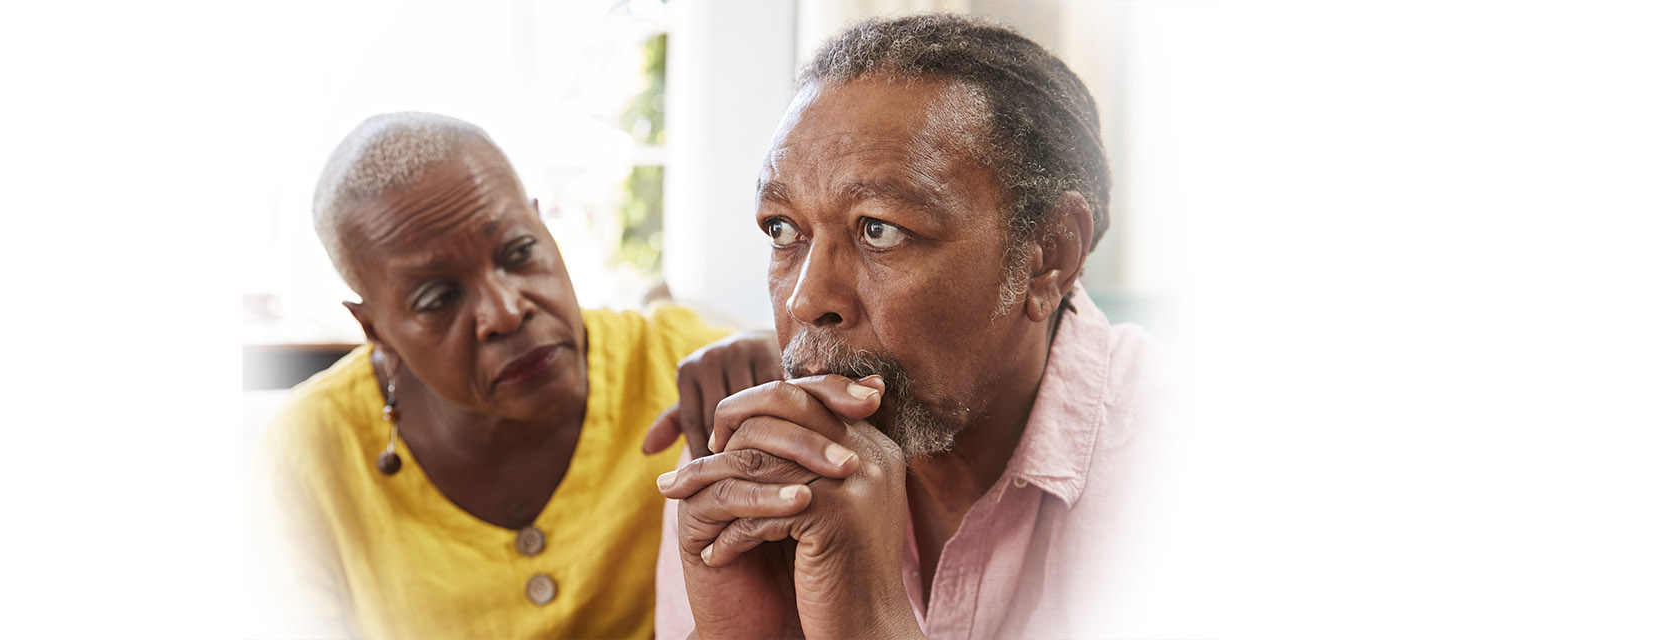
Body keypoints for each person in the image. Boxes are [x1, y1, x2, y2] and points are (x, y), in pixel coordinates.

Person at [652, 13, 1169, 638]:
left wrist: (868, 624)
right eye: (783, 229)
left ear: (1047, 258)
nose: (806, 301)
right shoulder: (753, 471)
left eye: (879, 230)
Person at [255, 112, 781, 639]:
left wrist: (790, 366)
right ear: (376, 329)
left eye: (519, 252)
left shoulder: (683, 365)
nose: (505, 312)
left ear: (542, 227)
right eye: (438, 298)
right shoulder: (310, 449)